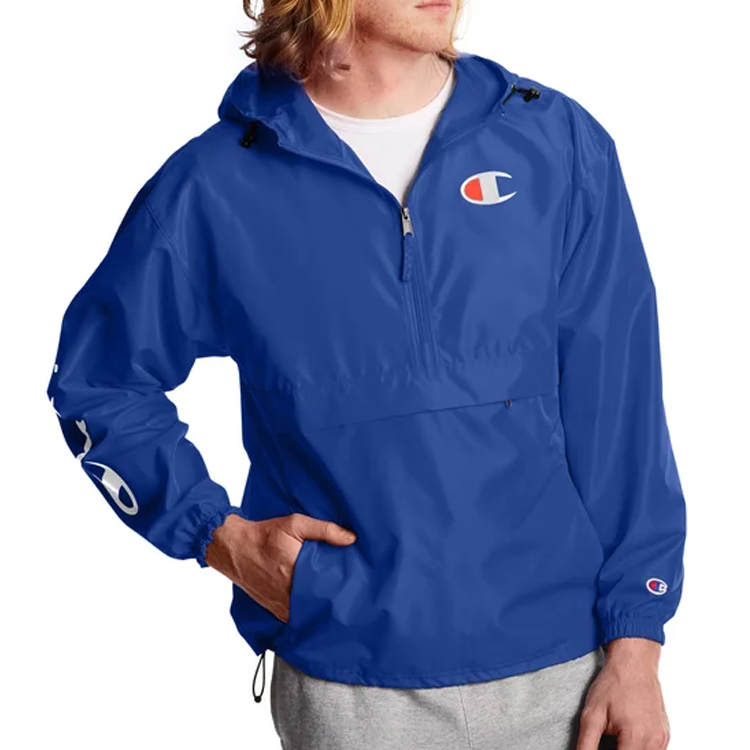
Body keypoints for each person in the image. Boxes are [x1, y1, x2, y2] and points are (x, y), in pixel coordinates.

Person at [46, 1, 687, 748]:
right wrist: (216, 535)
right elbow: (99, 383)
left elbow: (622, 415)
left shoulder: (556, 142)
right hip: (349, 682)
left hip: (566, 676)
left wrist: (637, 646)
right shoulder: (215, 184)